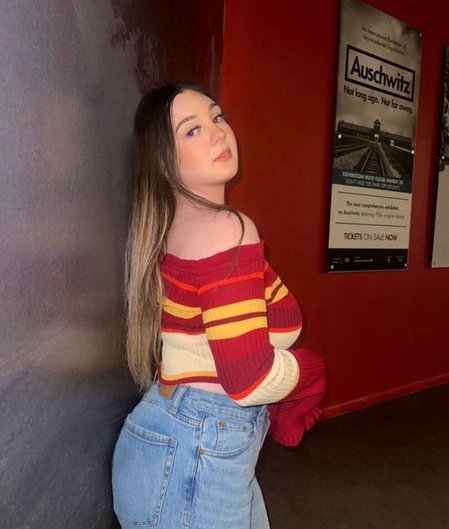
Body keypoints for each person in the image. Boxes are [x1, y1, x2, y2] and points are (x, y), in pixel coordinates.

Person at [112, 83, 325, 529]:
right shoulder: (227, 228)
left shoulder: (175, 228)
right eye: (192, 130)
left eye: (217, 116)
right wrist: (309, 372)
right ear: (163, 160)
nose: (217, 132)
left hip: (185, 443)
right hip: (198, 452)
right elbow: (250, 380)